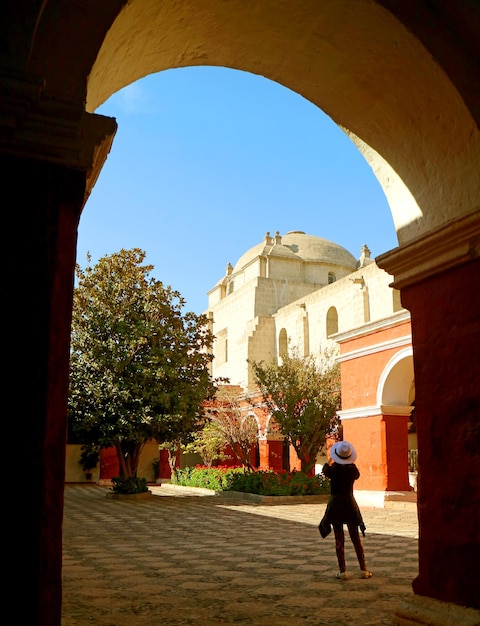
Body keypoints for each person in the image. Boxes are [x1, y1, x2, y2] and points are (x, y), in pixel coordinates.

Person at [318, 440, 373, 580]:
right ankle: (364, 569)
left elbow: (325, 468)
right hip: (349, 502)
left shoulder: (332, 470)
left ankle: (343, 571)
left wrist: (332, 459)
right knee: (355, 537)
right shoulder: (352, 470)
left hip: (335, 503)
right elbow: (357, 474)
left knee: (339, 538)